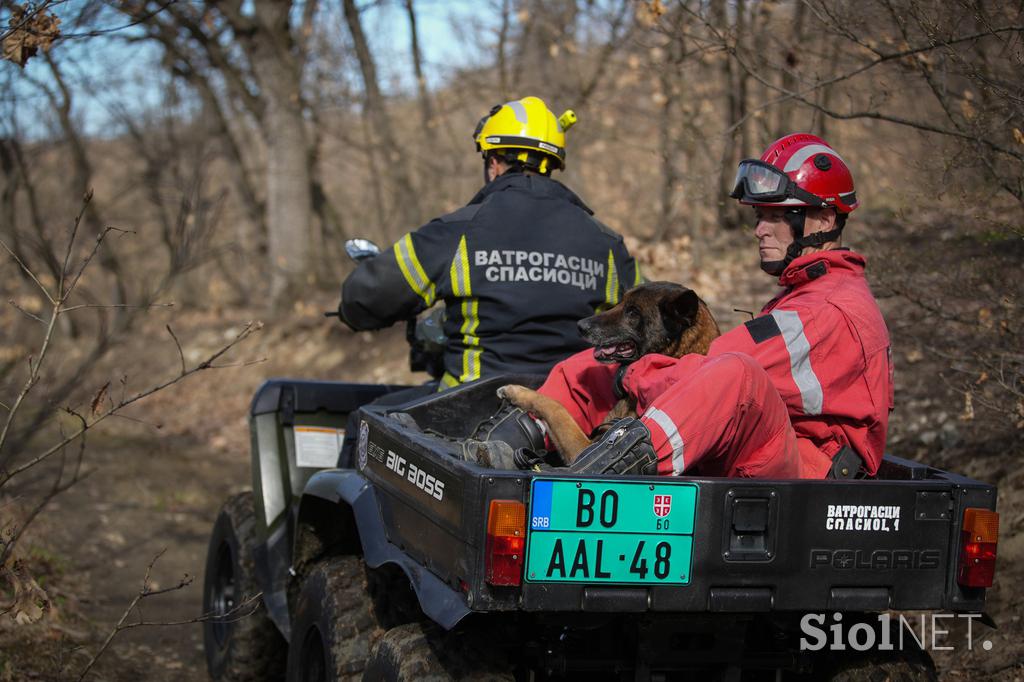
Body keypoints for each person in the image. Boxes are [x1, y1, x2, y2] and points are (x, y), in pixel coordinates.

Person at [534, 133, 894, 478]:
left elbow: (713, 369)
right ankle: (516, 440)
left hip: (807, 473)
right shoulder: (809, 293)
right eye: (759, 217)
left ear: (824, 220)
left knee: (735, 373)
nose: (760, 230)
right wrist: (626, 369)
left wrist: (634, 375)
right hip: (772, 445)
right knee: (597, 364)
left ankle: (613, 472)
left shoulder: (829, 309)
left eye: (775, 217)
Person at [339, 96, 641, 389]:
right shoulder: (607, 244)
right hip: (570, 417)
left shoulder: (456, 231)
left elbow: (366, 297)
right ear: (551, 165)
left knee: (364, 421)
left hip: (469, 416)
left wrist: (352, 308)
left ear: (494, 162)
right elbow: (648, 316)